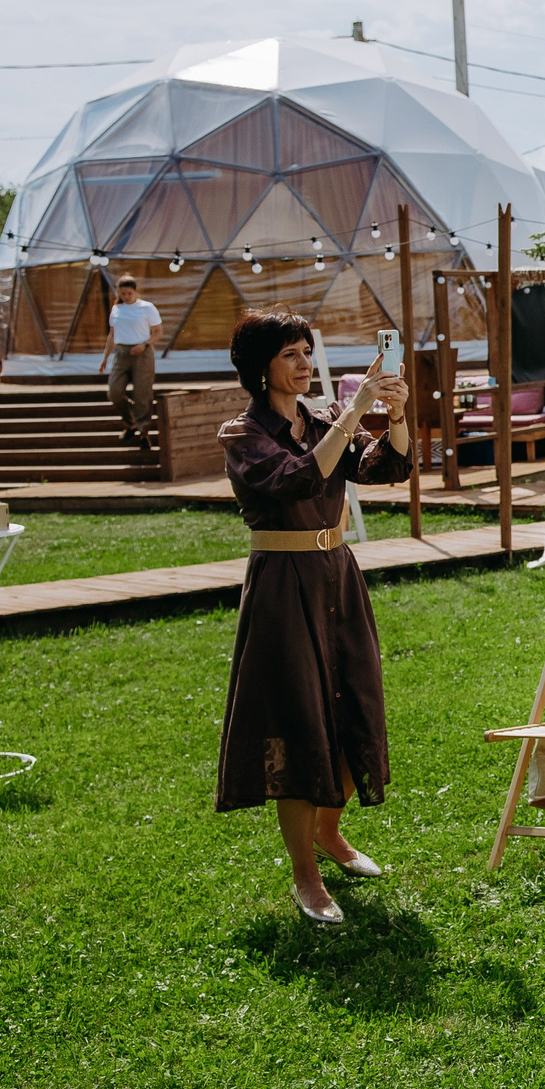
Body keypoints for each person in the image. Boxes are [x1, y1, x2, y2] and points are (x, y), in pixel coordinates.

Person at [214, 309, 414, 925]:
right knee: (300, 721)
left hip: (338, 578)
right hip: (283, 585)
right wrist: (354, 413)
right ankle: (305, 874)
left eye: (306, 352)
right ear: (260, 367)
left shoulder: (324, 419)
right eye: (290, 355)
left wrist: (397, 416)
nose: (304, 365)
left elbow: (387, 469)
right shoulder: (241, 433)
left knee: (353, 704)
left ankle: (331, 832)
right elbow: (301, 479)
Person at [103, 274, 165, 447]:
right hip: (122, 352)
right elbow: (112, 335)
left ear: (135, 291)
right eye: (122, 293)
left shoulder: (146, 308)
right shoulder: (117, 309)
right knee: (114, 392)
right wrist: (105, 358)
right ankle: (131, 422)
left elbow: (158, 332)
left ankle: (143, 432)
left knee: (142, 394)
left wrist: (145, 345)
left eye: (129, 293)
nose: (126, 297)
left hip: (142, 352)